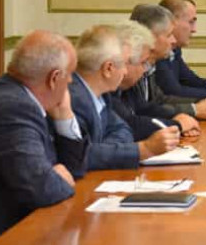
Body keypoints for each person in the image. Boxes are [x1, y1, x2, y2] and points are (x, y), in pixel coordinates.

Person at [0, 31, 88, 245]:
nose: (71, 82)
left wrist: (64, 117)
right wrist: (57, 177)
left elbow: (74, 171)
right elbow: (42, 189)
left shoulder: (16, 96)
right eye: (70, 74)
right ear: (54, 78)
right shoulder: (12, 109)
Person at [70, 25, 180, 170]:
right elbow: (80, 156)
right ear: (108, 68)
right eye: (123, 64)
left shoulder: (101, 94)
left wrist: (106, 150)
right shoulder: (73, 99)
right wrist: (144, 149)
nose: (125, 72)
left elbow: (122, 128)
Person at [129, 4, 206, 121]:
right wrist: (194, 110)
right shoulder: (131, 70)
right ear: (150, 37)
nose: (173, 41)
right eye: (169, 35)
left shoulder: (149, 65)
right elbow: (143, 111)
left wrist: (202, 103)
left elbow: (160, 100)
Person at [110, 21, 201, 140]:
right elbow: (129, 125)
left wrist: (180, 119)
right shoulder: (107, 89)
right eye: (143, 63)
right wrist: (177, 125)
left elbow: (145, 109)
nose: (145, 70)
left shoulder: (126, 87)